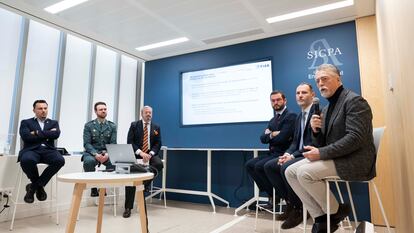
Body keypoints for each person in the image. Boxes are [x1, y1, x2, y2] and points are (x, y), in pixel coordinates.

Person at [285, 64, 376, 233]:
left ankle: (333, 213)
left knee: (304, 172)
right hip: (337, 157)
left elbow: (355, 138)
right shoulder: (326, 108)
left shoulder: (354, 101)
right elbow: (322, 143)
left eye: (325, 79)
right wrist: (316, 131)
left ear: (338, 79)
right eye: (318, 80)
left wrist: (321, 153)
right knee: (290, 171)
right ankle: (322, 217)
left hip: (355, 160)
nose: (320, 83)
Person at [263, 83, 316, 229]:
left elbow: (311, 142)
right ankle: (291, 203)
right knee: (269, 166)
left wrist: (291, 156)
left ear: (313, 95)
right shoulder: (300, 116)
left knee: (284, 167)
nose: (300, 95)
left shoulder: (316, 114)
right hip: (296, 153)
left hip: (311, 154)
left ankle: (298, 208)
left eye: (304, 92)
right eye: (298, 93)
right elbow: (294, 142)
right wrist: (288, 153)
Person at [245, 91, 296, 208]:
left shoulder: (290, 116)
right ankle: (272, 194)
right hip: (272, 153)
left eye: (278, 100)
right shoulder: (273, 120)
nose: (275, 103)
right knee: (250, 164)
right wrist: (273, 134)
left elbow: (283, 138)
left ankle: (280, 196)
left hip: (284, 153)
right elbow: (262, 138)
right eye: (273, 101)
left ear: (285, 100)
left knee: (260, 166)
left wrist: (270, 136)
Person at [18, 100, 65, 203]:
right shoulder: (26, 122)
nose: (43, 111)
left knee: (60, 160)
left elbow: (55, 135)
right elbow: (26, 137)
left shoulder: (53, 122)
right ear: (34, 110)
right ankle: (39, 187)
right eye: (40, 108)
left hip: (48, 150)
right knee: (27, 160)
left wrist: (36, 132)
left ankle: (33, 187)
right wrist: (47, 134)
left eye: (45, 108)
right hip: (32, 149)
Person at [123, 106, 163, 218]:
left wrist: (150, 154)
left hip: (150, 154)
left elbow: (158, 143)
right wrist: (141, 153)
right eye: (146, 113)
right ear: (142, 114)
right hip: (136, 154)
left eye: (150, 113)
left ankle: (145, 183)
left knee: (159, 164)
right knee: (130, 178)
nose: (149, 114)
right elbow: (129, 142)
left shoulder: (156, 127)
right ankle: (128, 208)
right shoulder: (134, 125)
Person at [82, 102, 117, 196]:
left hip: (106, 152)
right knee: (88, 162)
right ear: (95, 111)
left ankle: (103, 187)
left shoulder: (112, 126)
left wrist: (107, 154)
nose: (103, 111)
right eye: (101, 109)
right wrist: (95, 154)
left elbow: (113, 143)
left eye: (105, 109)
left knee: (115, 163)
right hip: (92, 152)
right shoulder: (89, 125)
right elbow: (86, 143)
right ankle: (93, 187)